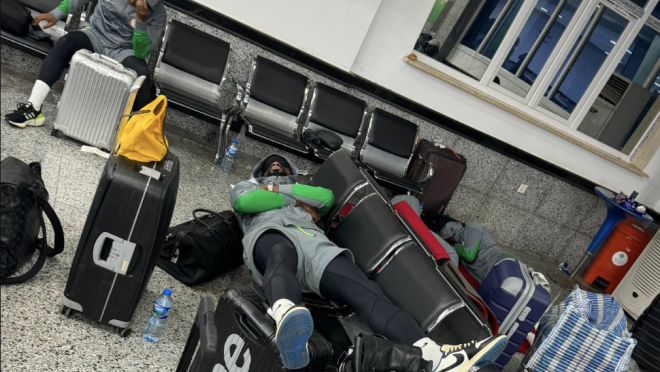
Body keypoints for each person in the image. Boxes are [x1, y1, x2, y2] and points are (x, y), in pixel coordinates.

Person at [230, 154, 507, 371]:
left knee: (366, 291)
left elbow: (325, 198)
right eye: (270, 167)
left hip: (315, 243)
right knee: (280, 254)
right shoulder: (247, 186)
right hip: (270, 235)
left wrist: (276, 193)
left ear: (291, 173)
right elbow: (246, 203)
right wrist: (295, 197)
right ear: (260, 174)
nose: (276, 166)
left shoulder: (306, 188)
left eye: (281, 166)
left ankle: (432, 354)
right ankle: (287, 323)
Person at [5, 0, 166, 128]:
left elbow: (141, 53)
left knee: (143, 74)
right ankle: (33, 108)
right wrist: (56, 14)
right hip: (96, 35)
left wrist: (141, 21)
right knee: (66, 42)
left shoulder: (157, 14)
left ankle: (139, 134)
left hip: (125, 50)